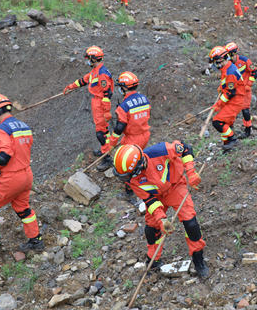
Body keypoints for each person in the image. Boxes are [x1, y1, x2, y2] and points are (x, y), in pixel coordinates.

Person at [112, 142, 209, 279]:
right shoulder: (132, 179)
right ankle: (153, 261)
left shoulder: (161, 150)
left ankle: (198, 259)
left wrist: (191, 173)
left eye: (128, 175)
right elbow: (149, 200)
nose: (127, 179)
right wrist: (161, 219)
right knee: (151, 230)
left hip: (176, 187)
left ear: (140, 166)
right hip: (156, 197)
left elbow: (186, 148)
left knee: (191, 224)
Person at [0, 94, 43, 257]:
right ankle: (36, 240)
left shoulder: (2, 128)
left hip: (11, 177)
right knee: (23, 208)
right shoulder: (24, 126)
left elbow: (5, 155)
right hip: (27, 174)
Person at [63, 46, 114, 171]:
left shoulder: (102, 74)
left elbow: (108, 93)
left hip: (100, 103)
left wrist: (106, 110)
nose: (87, 61)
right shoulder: (95, 71)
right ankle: (104, 150)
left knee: (100, 133)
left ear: (93, 59)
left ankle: (107, 158)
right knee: (103, 130)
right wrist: (71, 87)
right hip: (96, 102)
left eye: (88, 59)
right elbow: (83, 80)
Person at [109, 71, 152, 201]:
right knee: (140, 159)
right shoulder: (145, 99)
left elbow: (120, 127)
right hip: (145, 135)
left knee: (127, 166)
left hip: (132, 139)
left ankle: (129, 192)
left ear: (125, 87)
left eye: (121, 87)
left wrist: (112, 142)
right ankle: (145, 179)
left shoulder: (123, 107)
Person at [209, 46, 245, 151]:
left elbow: (231, 92)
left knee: (217, 122)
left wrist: (219, 104)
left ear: (221, 59)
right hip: (232, 100)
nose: (215, 64)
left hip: (235, 101)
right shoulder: (227, 67)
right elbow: (228, 84)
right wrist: (221, 87)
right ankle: (227, 146)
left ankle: (233, 140)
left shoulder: (230, 72)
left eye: (215, 61)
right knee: (226, 124)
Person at [224, 42, 257, 139]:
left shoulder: (244, 60)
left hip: (245, 91)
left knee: (245, 110)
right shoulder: (228, 65)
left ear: (233, 54)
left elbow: (255, 72)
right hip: (235, 91)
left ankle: (248, 130)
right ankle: (230, 129)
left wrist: (248, 85)